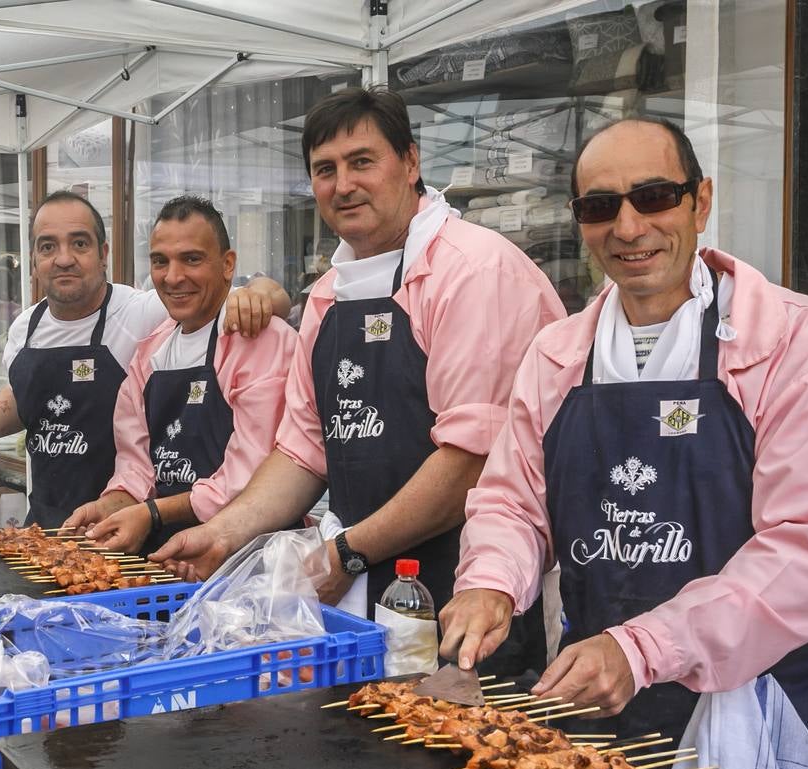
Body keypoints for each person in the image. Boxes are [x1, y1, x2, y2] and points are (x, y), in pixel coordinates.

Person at [437, 118, 808, 769]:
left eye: (653, 197)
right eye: (599, 206)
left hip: (754, 708)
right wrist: (488, 582)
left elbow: (803, 552)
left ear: (700, 202)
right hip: (593, 702)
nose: (628, 226)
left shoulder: (795, 341)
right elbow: (512, 501)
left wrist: (643, 647)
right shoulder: (557, 355)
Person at [152, 87, 564, 671]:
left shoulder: (474, 272)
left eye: (362, 162)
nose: (342, 185)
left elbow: (471, 460)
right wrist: (221, 533)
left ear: (412, 162)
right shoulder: (328, 295)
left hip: (472, 590)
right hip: (362, 594)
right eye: (325, 170)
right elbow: (302, 451)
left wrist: (344, 553)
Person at [0, 191, 289, 525]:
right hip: (55, 520)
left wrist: (261, 292)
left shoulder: (141, 314)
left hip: (143, 527)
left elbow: (218, 297)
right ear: (33, 259)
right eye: (48, 247)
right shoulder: (25, 327)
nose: (64, 259)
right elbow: (23, 400)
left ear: (104, 253)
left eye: (79, 243)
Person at [63, 196, 299, 554]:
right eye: (161, 261)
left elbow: (251, 473)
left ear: (228, 264)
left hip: (250, 554)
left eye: (191, 259)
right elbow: (135, 462)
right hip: (168, 553)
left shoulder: (261, 339)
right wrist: (113, 505)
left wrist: (153, 513)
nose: (173, 277)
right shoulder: (148, 354)